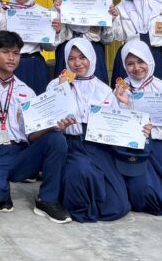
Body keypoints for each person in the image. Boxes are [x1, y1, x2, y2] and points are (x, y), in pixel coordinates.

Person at [0, 31, 70, 221]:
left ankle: (47, 200)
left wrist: (52, 126)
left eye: (16, 53)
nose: (11, 58)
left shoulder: (26, 91)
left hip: (22, 153)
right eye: (5, 52)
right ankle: (1, 187)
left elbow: (31, 135)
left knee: (56, 139)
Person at [45, 37, 131, 223]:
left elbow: (115, 125)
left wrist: (125, 106)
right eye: (71, 58)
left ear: (91, 57)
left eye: (82, 57)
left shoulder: (103, 89)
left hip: (97, 146)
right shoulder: (56, 85)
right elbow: (49, 116)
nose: (77, 63)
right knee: (81, 171)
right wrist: (62, 90)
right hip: (69, 144)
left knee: (118, 205)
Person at [111, 40, 162, 215]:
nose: (136, 68)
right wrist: (127, 105)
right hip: (133, 148)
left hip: (160, 147)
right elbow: (116, 126)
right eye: (130, 63)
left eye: (141, 61)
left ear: (149, 60)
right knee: (142, 192)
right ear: (124, 66)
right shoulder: (120, 90)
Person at [53, 0, 117, 82]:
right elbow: (52, 43)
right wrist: (58, 25)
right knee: (67, 88)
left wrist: (109, 21)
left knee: (94, 89)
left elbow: (107, 40)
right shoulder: (59, 4)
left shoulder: (98, 3)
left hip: (93, 52)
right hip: (68, 55)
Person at [5, 0, 55, 94]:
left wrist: (56, 31)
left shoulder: (43, 13)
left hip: (34, 65)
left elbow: (49, 47)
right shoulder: (5, 12)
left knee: (37, 101)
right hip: (10, 65)